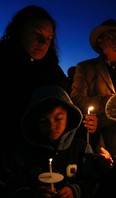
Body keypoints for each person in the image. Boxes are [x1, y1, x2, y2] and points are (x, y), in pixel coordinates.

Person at [0, 5, 98, 186]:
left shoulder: (53, 71)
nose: (43, 42)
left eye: (49, 38)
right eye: (37, 33)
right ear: (19, 30)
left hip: (46, 152)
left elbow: (66, 109)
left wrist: (85, 123)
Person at [0, 85, 107, 198]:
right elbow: (10, 189)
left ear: (69, 115)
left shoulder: (81, 148)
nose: (51, 126)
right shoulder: (24, 153)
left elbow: (93, 180)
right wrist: (28, 197)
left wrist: (75, 192)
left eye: (58, 118)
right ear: (34, 121)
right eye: (43, 120)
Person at [70, 18, 116, 131]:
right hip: (100, 130)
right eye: (111, 37)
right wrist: (102, 102)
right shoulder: (86, 67)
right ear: (100, 41)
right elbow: (76, 100)